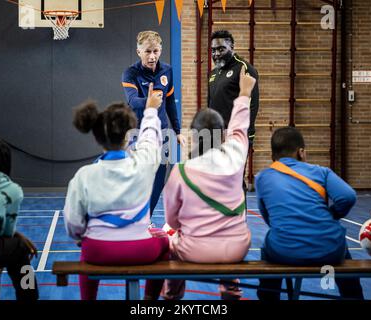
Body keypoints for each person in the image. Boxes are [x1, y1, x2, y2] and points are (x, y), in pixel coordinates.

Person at [146, 67, 256, 300]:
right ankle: (231, 289)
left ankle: (172, 295)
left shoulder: (181, 171)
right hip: (238, 247)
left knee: (168, 237)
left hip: (194, 251)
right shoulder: (236, 156)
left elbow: (173, 220)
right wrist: (244, 93)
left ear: (194, 137)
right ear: (222, 136)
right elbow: (239, 128)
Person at [63, 84, 169, 300]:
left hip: (97, 251)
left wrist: (81, 237)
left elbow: (73, 223)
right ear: (129, 137)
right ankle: (149, 300)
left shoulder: (84, 175)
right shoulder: (143, 164)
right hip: (142, 250)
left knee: (85, 250)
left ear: (96, 138)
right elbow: (150, 138)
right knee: (166, 245)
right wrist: (150, 109)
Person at [255, 127, 364, 300]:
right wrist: (332, 214)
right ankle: (354, 296)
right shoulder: (321, 172)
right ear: (301, 152)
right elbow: (348, 196)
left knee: (267, 248)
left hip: (283, 251)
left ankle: (268, 297)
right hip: (329, 250)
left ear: (272, 156)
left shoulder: (262, 177)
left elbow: (267, 215)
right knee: (342, 249)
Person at [122, 30, 186, 216]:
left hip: (162, 132)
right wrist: (150, 101)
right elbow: (133, 101)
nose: (152, 56)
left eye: (156, 51)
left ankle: (147, 216)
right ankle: (133, 215)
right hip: (138, 133)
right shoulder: (130, 73)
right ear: (138, 52)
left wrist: (178, 130)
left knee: (159, 177)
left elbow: (170, 101)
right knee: (139, 177)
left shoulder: (167, 70)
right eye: (148, 51)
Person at [0, 136, 38, 300]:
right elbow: (6, 233)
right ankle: (29, 293)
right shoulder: (11, 190)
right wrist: (19, 236)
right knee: (19, 249)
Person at [208, 30, 260, 192]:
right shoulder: (214, 72)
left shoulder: (244, 68)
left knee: (234, 180)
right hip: (215, 135)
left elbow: (252, 105)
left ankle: (239, 217)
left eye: (221, 49)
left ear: (232, 47)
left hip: (236, 136)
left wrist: (241, 134)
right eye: (213, 50)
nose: (216, 54)